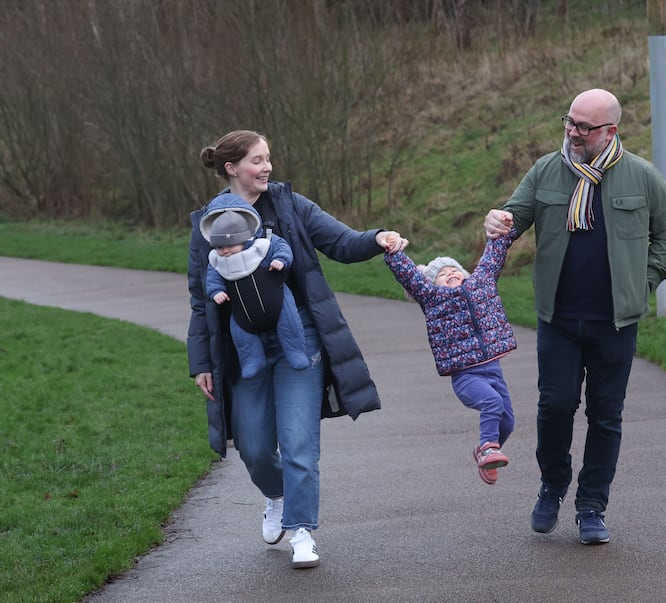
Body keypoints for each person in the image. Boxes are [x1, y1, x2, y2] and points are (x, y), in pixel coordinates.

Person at [187, 129, 407, 569]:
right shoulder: (208, 224)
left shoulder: (290, 205)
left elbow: (341, 242)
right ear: (232, 169)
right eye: (257, 160)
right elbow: (199, 297)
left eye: (268, 158)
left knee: (298, 442)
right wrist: (201, 363)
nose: (267, 167)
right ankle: (276, 494)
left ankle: (302, 530)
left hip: (299, 341)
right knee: (251, 444)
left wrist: (379, 237)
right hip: (243, 348)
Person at [484, 88, 666, 545]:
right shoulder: (547, 171)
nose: (572, 132)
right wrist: (499, 221)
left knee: (605, 415)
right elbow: (514, 216)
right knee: (555, 406)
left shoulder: (641, 177)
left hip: (615, 322)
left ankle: (592, 506)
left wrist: (645, 280)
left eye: (584, 126)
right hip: (559, 320)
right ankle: (552, 485)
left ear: (611, 130)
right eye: (569, 122)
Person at [384, 232, 517, 485]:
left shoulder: (480, 286)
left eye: (454, 270)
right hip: (466, 377)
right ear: (434, 284)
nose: (450, 274)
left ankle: (485, 452)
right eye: (442, 275)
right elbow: (410, 277)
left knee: (507, 422)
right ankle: (488, 448)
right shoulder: (433, 298)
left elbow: (491, 259)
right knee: (491, 402)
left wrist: (501, 236)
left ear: (465, 275)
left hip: (493, 371)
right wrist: (394, 254)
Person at [202, 192, 309, 377]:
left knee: (289, 324)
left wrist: (280, 260)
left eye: (230, 245)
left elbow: (282, 247)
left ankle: (296, 351)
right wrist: (215, 291)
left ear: (244, 239)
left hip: (278, 303)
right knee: (241, 335)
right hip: (242, 314)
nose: (225, 251)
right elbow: (212, 278)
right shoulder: (217, 261)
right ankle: (252, 360)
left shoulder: (261, 246)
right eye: (219, 247)